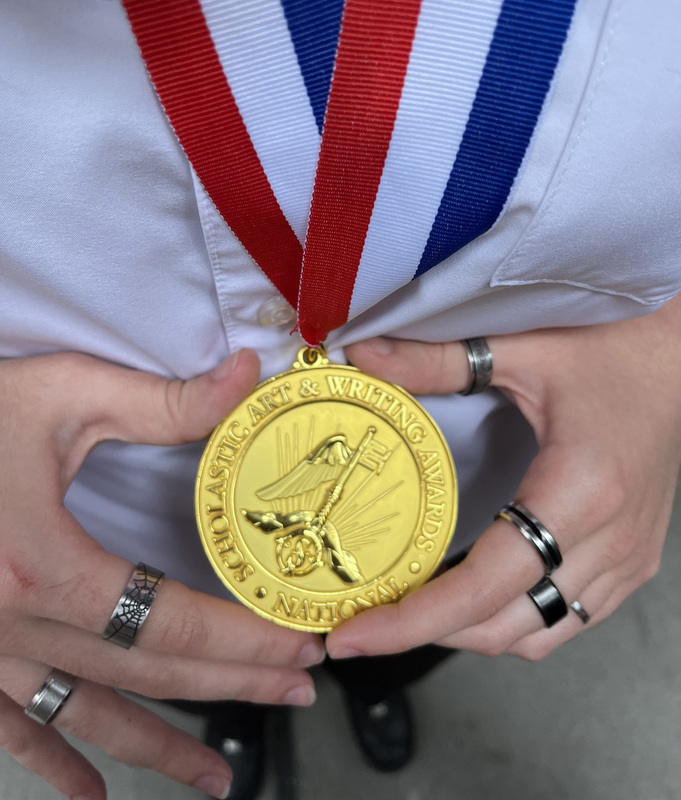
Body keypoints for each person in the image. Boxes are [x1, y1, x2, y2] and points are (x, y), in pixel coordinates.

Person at [1, 1, 680, 799]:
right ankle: (237, 711)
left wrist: (662, 351)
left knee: (405, 637)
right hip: (82, 527)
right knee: (190, 665)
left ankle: (371, 682)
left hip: (478, 488)